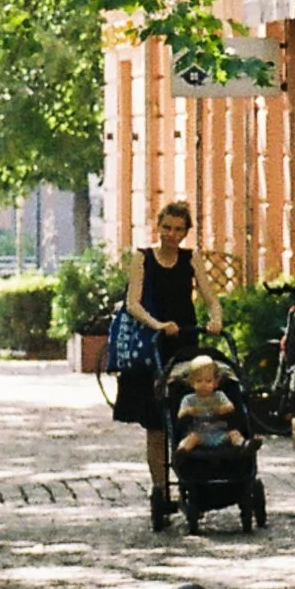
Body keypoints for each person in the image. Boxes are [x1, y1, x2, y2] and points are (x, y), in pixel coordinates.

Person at [112, 201, 222, 529]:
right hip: (152, 345)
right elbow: (133, 302)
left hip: (184, 341)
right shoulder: (142, 258)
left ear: (186, 232)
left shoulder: (191, 259)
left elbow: (209, 295)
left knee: (190, 411)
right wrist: (157, 324)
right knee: (157, 424)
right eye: (167, 228)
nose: (172, 235)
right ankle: (161, 489)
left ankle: (194, 479)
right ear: (157, 227)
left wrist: (215, 317)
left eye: (178, 230)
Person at [175, 356, 244, 452]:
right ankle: (181, 451)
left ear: (216, 383)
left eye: (208, 381)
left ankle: (242, 446)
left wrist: (222, 409)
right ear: (192, 382)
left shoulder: (219, 396)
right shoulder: (188, 399)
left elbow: (231, 407)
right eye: (199, 381)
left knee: (234, 433)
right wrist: (189, 411)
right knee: (191, 438)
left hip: (219, 432)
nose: (203, 384)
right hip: (199, 434)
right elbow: (180, 415)